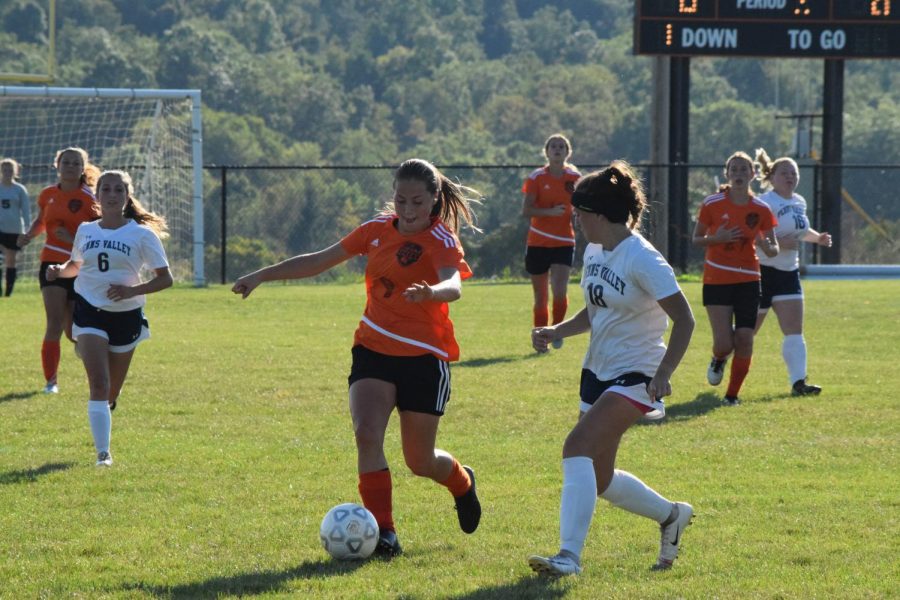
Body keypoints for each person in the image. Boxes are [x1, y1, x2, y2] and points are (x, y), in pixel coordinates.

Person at [232, 158, 482, 557]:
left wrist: (432, 292)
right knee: (367, 433)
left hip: (424, 357)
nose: (408, 209)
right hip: (373, 348)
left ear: (434, 199)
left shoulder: (442, 239)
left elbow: (454, 282)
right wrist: (263, 274)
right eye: (400, 199)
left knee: (419, 461)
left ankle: (462, 482)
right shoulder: (375, 231)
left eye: (417, 201)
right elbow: (319, 259)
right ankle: (385, 533)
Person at [527, 161, 696, 576]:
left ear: (599, 216)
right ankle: (672, 515)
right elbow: (595, 308)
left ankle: (568, 557)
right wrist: (558, 330)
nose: (576, 221)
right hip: (597, 372)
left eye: (580, 214)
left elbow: (686, 319)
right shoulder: (595, 250)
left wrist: (663, 374)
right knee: (599, 479)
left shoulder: (644, 259)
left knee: (575, 447)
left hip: (637, 375)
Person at [46, 170, 172, 467]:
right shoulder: (87, 230)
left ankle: (106, 406)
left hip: (126, 317)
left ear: (127, 196)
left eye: (118, 190)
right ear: (97, 195)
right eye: (106, 189)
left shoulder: (142, 234)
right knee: (99, 384)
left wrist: (132, 291)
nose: (112, 195)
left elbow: (165, 279)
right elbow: (77, 265)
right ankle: (103, 454)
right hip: (89, 310)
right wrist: (59, 271)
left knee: (110, 392)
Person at [692, 151, 779, 405]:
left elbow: (773, 248)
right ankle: (718, 359)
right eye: (735, 170)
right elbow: (696, 239)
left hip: (749, 279)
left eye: (744, 170)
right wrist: (716, 239)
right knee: (723, 344)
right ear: (727, 174)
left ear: (753, 174)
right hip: (717, 277)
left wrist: (765, 244)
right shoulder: (712, 203)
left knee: (744, 338)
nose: (739, 174)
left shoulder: (762, 208)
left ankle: (732, 395)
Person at [18, 147, 100, 394]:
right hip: (51, 264)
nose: (71, 166)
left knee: (72, 330)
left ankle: (85, 348)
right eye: (66, 162)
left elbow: (97, 236)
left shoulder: (89, 198)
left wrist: (72, 237)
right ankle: (51, 382)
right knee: (53, 323)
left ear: (82, 168)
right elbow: (42, 220)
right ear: (57, 165)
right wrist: (29, 236)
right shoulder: (47, 195)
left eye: (76, 163)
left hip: (79, 266)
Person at [754, 148, 831, 396]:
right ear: (772, 176)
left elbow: (799, 231)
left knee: (794, 330)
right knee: (748, 332)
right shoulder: (766, 202)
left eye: (794, 173)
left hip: (788, 272)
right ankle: (720, 358)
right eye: (784, 172)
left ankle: (799, 383)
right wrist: (776, 242)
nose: (790, 176)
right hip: (763, 272)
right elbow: (752, 234)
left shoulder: (799, 202)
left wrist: (817, 238)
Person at [521, 134, 581, 349]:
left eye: (561, 146)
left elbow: (582, 206)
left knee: (560, 290)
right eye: (553, 146)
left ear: (568, 152)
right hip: (538, 242)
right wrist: (550, 212)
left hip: (564, 241)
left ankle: (556, 331)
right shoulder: (537, 177)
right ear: (546, 151)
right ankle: (539, 342)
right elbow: (526, 210)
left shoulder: (575, 178)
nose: (557, 150)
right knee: (540, 296)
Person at [0, 158, 31, 297]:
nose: (7, 172)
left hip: (14, 230)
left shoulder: (19, 189)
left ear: (15, 172)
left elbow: (25, 211)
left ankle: (8, 292)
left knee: (10, 260)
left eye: (10, 170)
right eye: (5, 170)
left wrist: (27, 230)